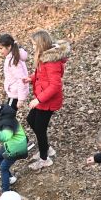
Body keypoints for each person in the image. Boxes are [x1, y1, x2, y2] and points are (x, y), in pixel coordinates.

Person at [26, 30, 70, 170]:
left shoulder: (51, 62)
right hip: (42, 98)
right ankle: (47, 148)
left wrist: (38, 100)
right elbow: (40, 75)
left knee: (40, 128)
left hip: (48, 101)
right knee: (31, 120)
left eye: (34, 45)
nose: (33, 48)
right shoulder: (44, 58)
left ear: (41, 44)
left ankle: (44, 159)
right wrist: (31, 78)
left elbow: (55, 86)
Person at [0, 91, 31, 192]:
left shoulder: (6, 121)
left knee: (3, 168)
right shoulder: (2, 114)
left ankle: (5, 192)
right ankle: (10, 178)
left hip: (17, 146)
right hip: (11, 144)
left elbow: (5, 136)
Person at [0, 34, 30, 110]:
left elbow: (21, 79)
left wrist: (20, 99)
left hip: (16, 93)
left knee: (8, 114)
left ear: (9, 47)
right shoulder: (12, 56)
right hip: (15, 90)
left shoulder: (12, 61)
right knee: (9, 114)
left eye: (1, 48)